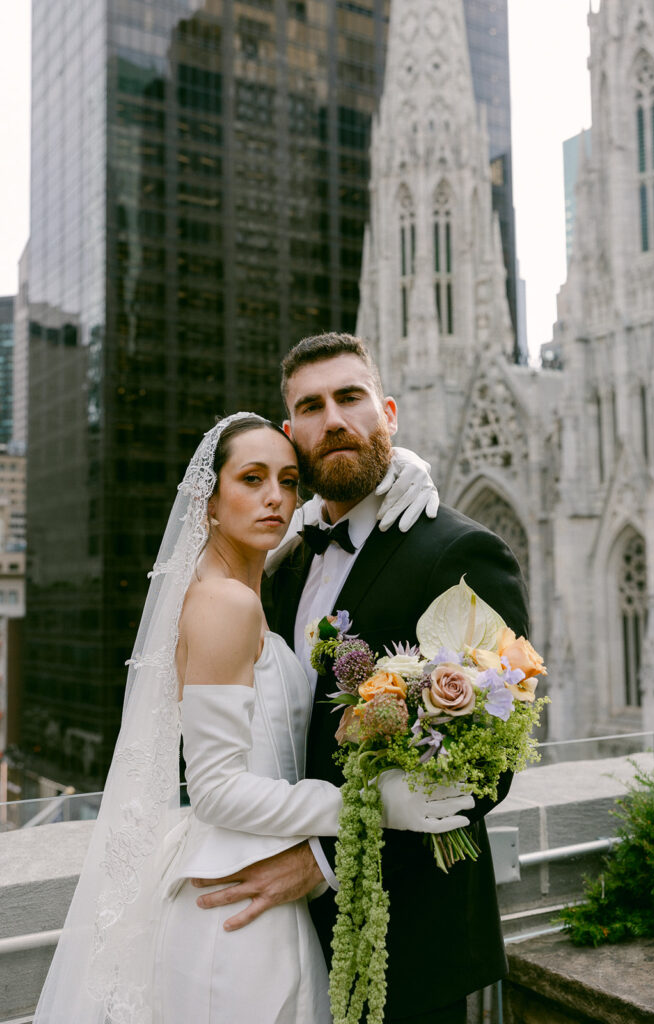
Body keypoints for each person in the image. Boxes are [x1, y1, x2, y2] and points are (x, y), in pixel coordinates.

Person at [33, 411, 465, 1024]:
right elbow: (214, 789)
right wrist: (371, 806)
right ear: (209, 501)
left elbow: (326, 523)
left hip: (254, 881)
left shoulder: (248, 581)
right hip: (237, 905)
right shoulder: (225, 603)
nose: (275, 498)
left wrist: (403, 467)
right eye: (252, 479)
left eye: (288, 481)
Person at [193, 335, 530, 1024]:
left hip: (412, 943)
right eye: (311, 407)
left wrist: (324, 862)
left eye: (351, 397)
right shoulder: (282, 564)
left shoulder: (459, 550)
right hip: (281, 934)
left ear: (390, 413)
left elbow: (488, 767)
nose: (334, 419)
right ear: (293, 436)